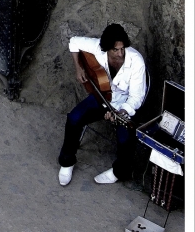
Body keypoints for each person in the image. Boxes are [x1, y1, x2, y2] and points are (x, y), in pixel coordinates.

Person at [58, 24, 147, 187]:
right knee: (74, 118)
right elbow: (74, 42)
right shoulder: (97, 47)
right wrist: (78, 69)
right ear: (106, 47)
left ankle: (119, 172)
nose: (120, 53)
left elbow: (137, 97)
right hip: (101, 95)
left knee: (125, 138)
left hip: (123, 104)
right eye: (115, 50)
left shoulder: (136, 62)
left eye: (122, 49)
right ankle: (67, 162)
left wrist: (119, 112)